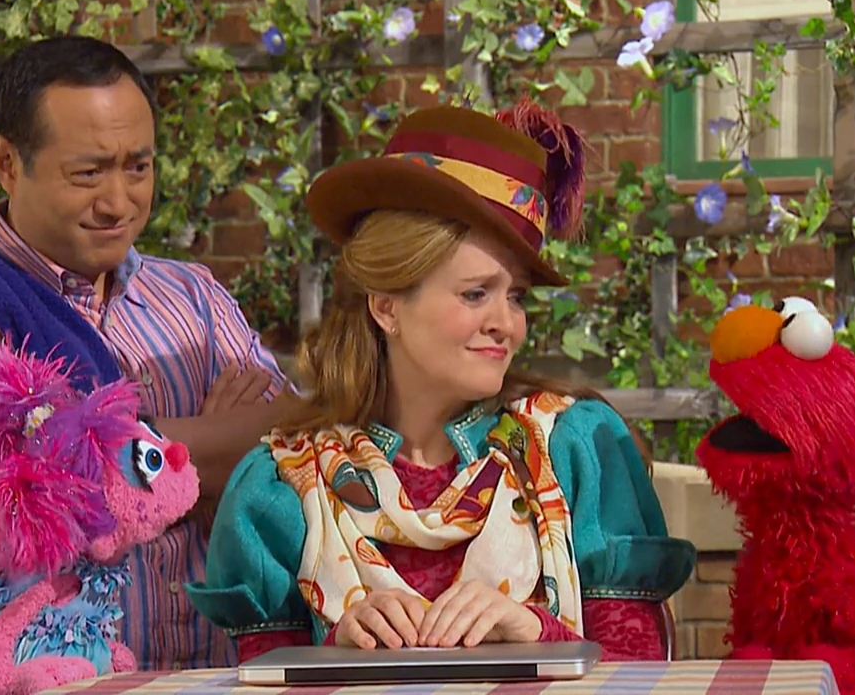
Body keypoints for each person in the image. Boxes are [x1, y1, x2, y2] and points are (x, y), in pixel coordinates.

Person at [0, 35, 293, 671]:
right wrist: (211, 460)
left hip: (211, 676)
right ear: (6, 162)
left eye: (138, 168)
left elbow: (293, 457)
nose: (118, 202)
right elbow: (33, 508)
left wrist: (124, 453)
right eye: (88, 173)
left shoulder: (193, 297)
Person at [185, 102, 696, 662]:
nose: (507, 323)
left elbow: (641, 674)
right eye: (476, 293)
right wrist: (339, 652)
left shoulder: (574, 450)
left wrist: (536, 634)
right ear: (386, 306)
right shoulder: (284, 486)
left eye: (516, 296)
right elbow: (261, 684)